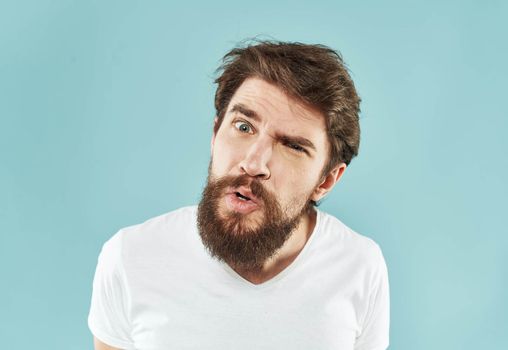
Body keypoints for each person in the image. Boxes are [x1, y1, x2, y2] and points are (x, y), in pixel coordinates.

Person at [88, 40, 390, 350]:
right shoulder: (131, 257)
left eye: (293, 146)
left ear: (326, 180)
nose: (253, 163)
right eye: (243, 127)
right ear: (215, 133)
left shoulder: (360, 266)